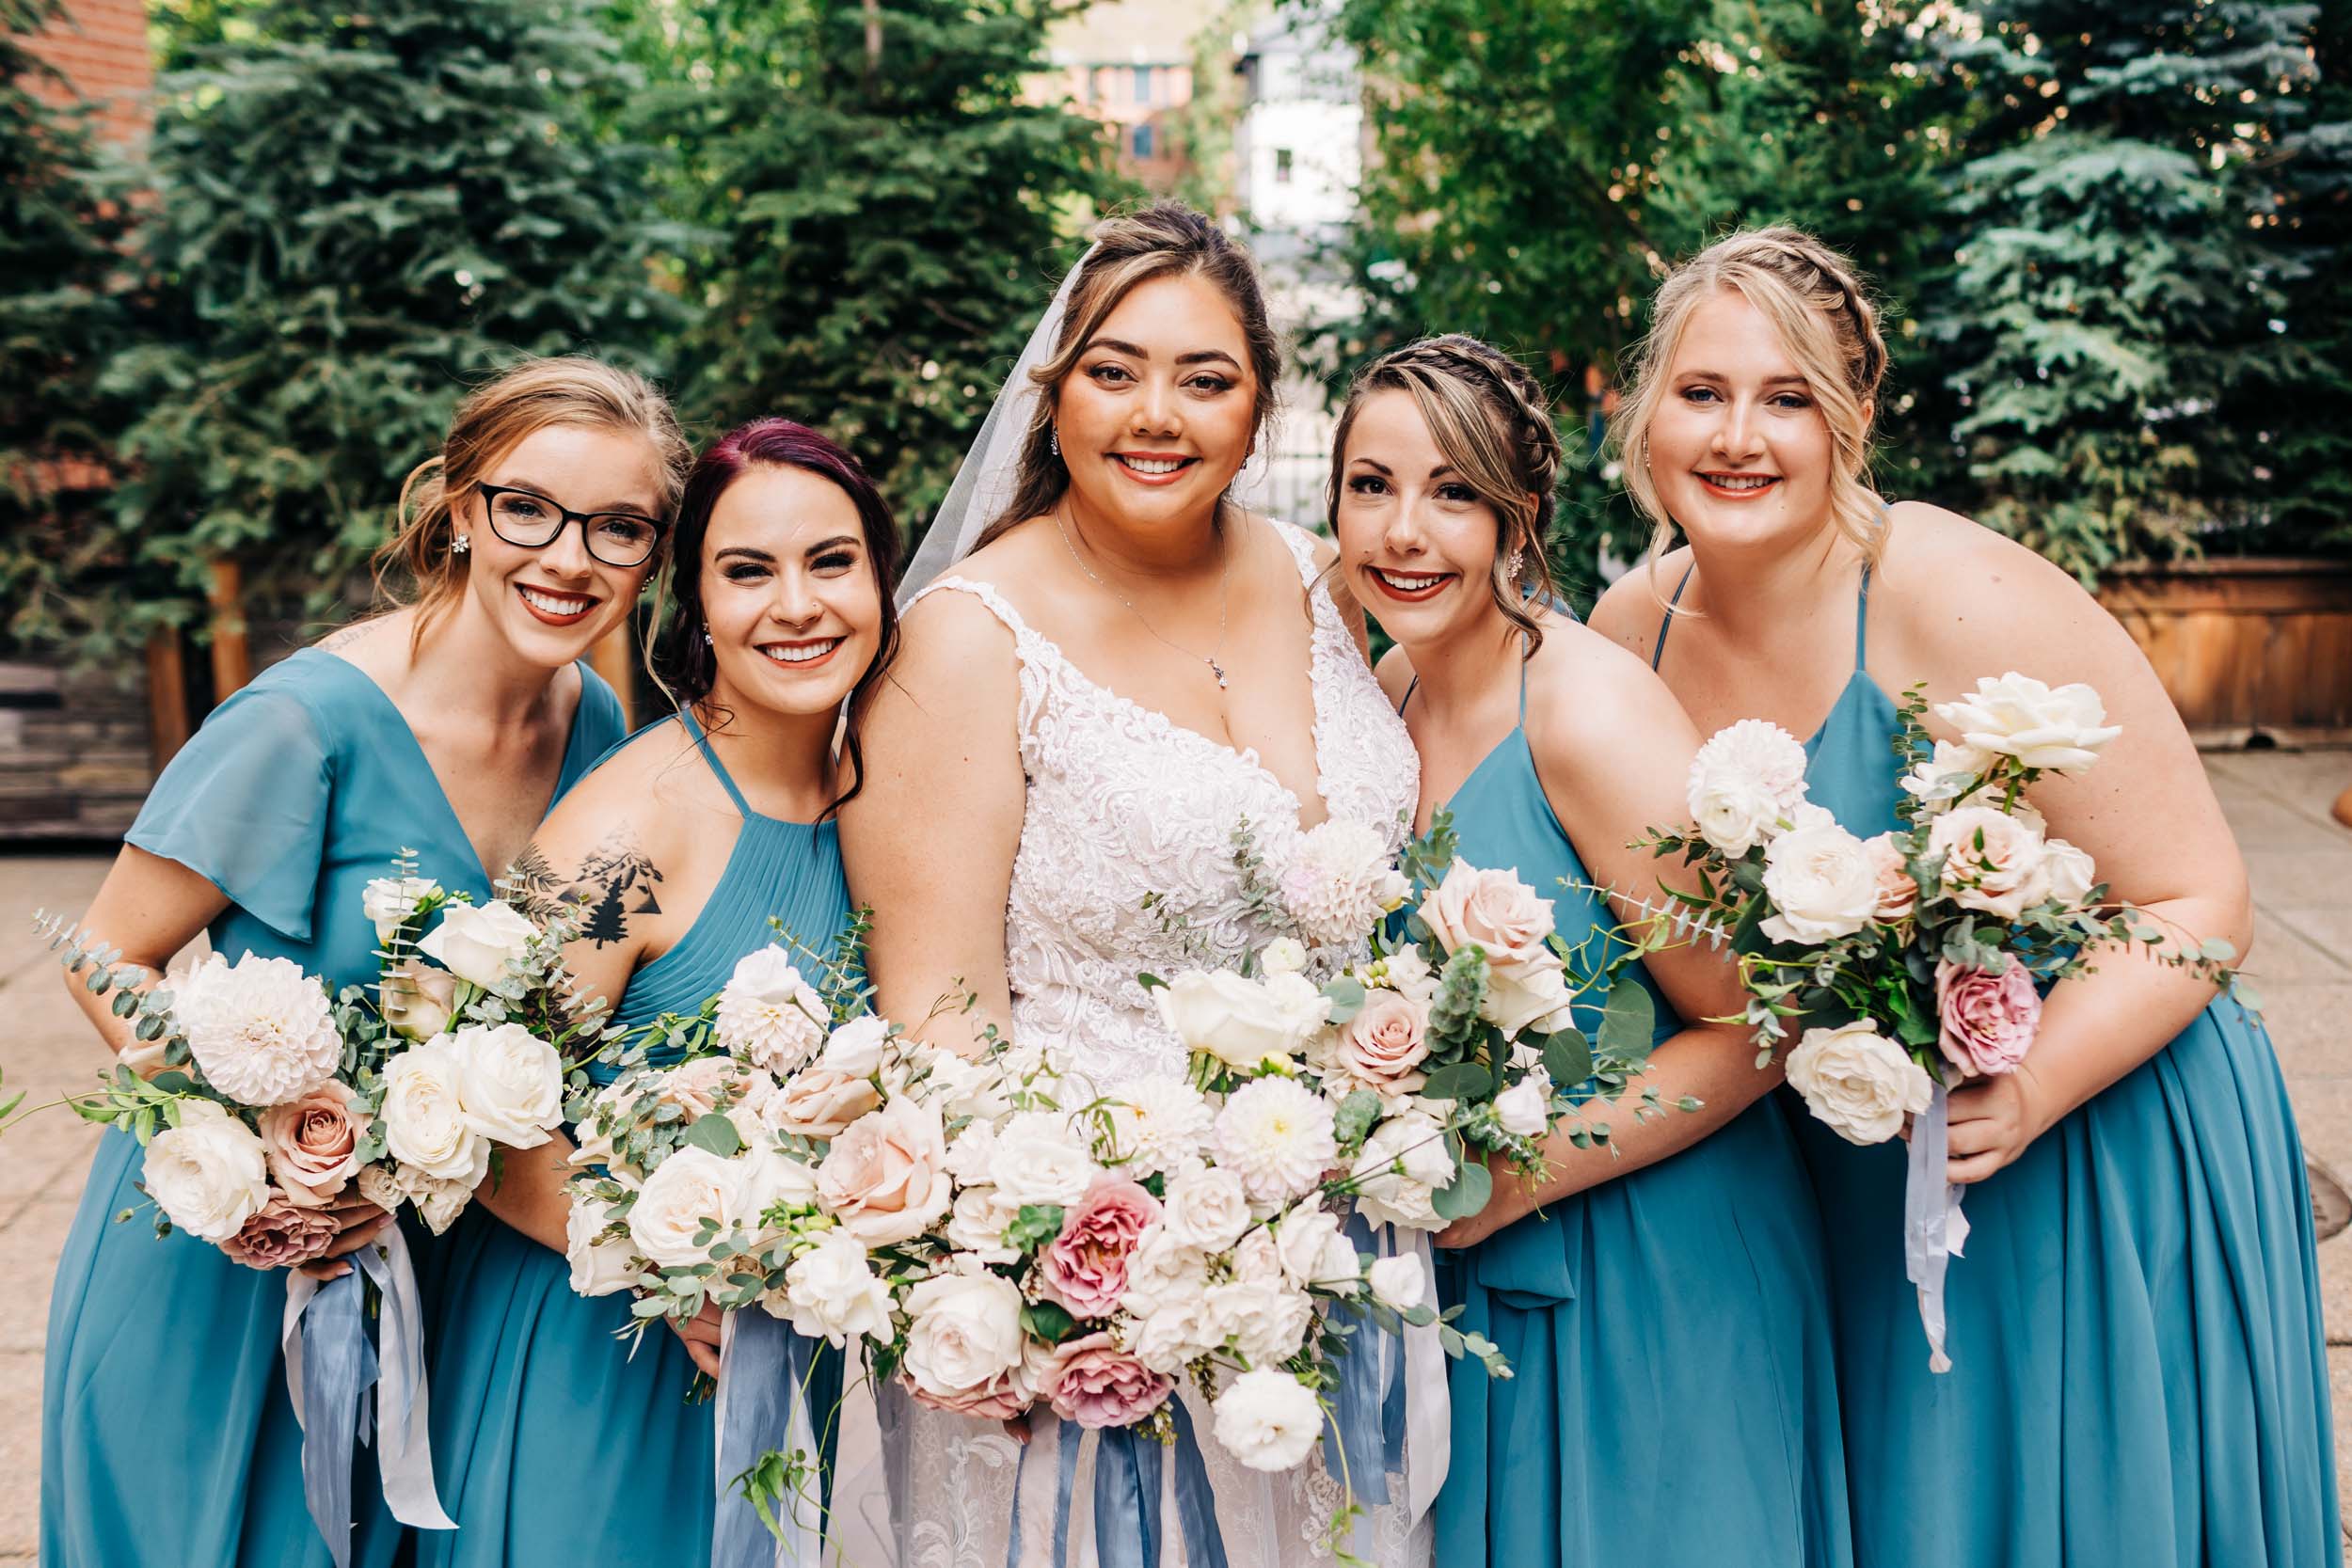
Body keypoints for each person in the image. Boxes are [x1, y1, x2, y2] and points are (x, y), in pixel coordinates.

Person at [1589, 227, 2341, 1567]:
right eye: (1702, 392)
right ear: (1647, 408)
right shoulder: (1625, 632)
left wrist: (2035, 1082)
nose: (1737, 435)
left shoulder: (1951, 585)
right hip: (1852, 1167)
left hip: (2088, 1130)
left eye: (1790, 397)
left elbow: (2197, 892)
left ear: (1856, 418)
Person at [842, 201, 1427, 1566]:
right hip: (1099, 1289)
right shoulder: (968, 641)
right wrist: (1083, 1286)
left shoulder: (1308, 572)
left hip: (1342, 1257)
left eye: (1204, 378)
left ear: (1259, 403)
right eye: (1115, 370)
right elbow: (942, 1026)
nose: (1156, 414)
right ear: (1052, 397)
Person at [40, 356, 683, 1568]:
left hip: (431, 1271)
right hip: (228, 1270)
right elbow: (102, 948)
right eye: (527, 507)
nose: (567, 557)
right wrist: (253, 1153)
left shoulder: (596, 725)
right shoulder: (303, 726)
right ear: (455, 505)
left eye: (618, 527)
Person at [1336, 333, 1851, 1568]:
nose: (1406, 530)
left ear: (1519, 515)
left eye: (1453, 491)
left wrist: (1522, 1173)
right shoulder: (1392, 686)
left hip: (1650, 1264)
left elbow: (1755, 1023)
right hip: (1465, 1260)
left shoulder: (1584, 708)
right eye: (1372, 484)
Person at [420, 417, 898, 1568]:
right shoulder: (625, 828)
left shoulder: (885, 801)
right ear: (694, 604)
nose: (797, 604)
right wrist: (667, 1267)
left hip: (791, 1362)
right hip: (602, 1356)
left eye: (831, 561)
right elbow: (479, 1115)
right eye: (747, 570)